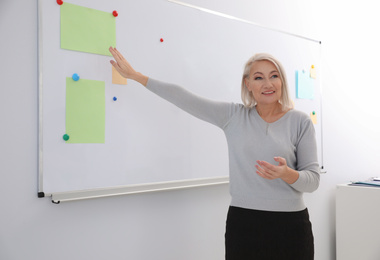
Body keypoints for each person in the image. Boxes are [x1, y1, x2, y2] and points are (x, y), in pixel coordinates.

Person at [109, 46, 320, 260]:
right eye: (259, 78)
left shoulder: (299, 121)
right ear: (248, 84)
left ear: (281, 81)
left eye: (274, 76)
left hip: (291, 227)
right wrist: (136, 76)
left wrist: (286, 173)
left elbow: (312, 182)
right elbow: (184, 98)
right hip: (244, 224)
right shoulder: (233, 116)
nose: (267, 84)